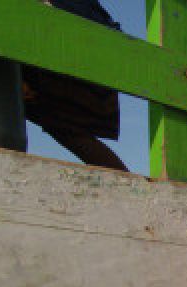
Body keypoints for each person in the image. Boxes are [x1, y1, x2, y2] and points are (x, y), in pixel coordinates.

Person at [23, 0, 127, 171]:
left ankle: (127, 185)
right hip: (95, 39)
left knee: (65, 127)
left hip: (72, 38)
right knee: (67, 128)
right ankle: (127, 184)